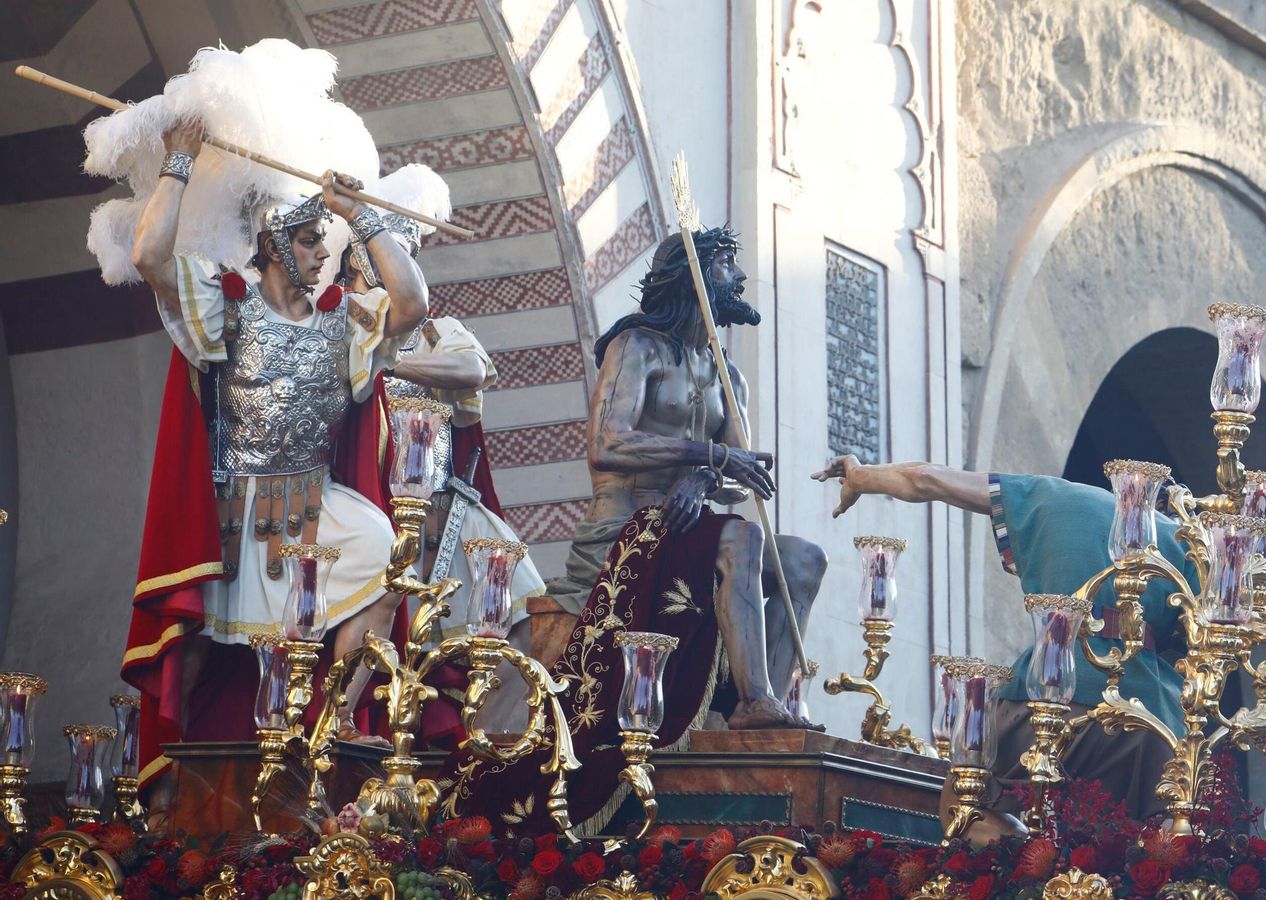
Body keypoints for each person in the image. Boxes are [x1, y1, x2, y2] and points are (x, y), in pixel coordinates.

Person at [439, 228, 829, 835]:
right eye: (725, 267)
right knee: (743, 539)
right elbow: (607, 443)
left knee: (805, 559)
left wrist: (703, 477)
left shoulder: (728, 373)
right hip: (625, 524)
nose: (738, 280)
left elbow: (737, 471)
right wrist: (709, 460)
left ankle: (768, 707)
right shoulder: (637, 348)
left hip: (691, 524)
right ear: (692, 279)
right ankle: (753, 699)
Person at [121, 119, 427, 814]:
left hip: (315, 506)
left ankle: (338, 716)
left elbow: (413, 304)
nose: (325, 252)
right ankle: (164, 797)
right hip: (234, 510)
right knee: (192, 653)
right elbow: (148, 255)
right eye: (310, 238)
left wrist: (363, 216)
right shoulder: (222, 307)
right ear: (271, 242)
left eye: (326, 238)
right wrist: (180, 158)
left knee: (385, 551)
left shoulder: (346, 322)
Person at [812, 455, 1266, 838]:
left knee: (964, 799)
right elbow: (1230, 630)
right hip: (1151, 722)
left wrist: (861, 476)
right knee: (1170, 833)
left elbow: (924, 477)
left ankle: (1031, 874)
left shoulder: (1040, 496)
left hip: (1038, 700)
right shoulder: (1183, 538)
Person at [336, 179, 546, 735]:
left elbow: (471, 372)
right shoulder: (333, 322)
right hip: (365, 506)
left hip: (445, 508)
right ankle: (341, 721)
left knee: (520, 611)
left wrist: (388, 362)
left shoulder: (435, 332)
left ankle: (491, 746)